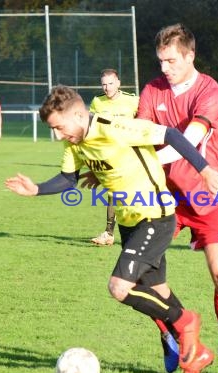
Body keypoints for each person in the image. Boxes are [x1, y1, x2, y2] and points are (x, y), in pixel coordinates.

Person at [5, 85, 218, 373]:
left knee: (119, 288)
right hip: (129, 222)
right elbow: (69, 178)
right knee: (159, 291)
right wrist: (37, 190)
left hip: (156, 217)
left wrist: (205, 170)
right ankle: (197, 352)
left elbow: (171, 135)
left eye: (59, 127)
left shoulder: (115, 127)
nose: (58, 135)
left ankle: (187, 322)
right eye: (52, 129)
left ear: (78, 114)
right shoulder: (74, 143)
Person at [137, 23, 218, 373]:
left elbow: (190, 138)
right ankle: (172, 331)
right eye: (160, 61)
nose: (164, 68)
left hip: (204, 195)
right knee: (139, 272)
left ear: (190, 56)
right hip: (162, 197)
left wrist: (152, 159)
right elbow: (139, 138)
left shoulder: (209, 92)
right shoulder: (152, 91)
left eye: (171, 61)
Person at [89, 68, 139, 247]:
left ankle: (133, 231)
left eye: (110, 83)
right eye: (103, 84)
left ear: (118, 83)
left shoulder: (133, 101)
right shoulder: (97, 102)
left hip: (132, 155)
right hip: (110, 156)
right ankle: (109, 233)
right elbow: (92, 127)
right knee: (114, 193)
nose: (107, 87)